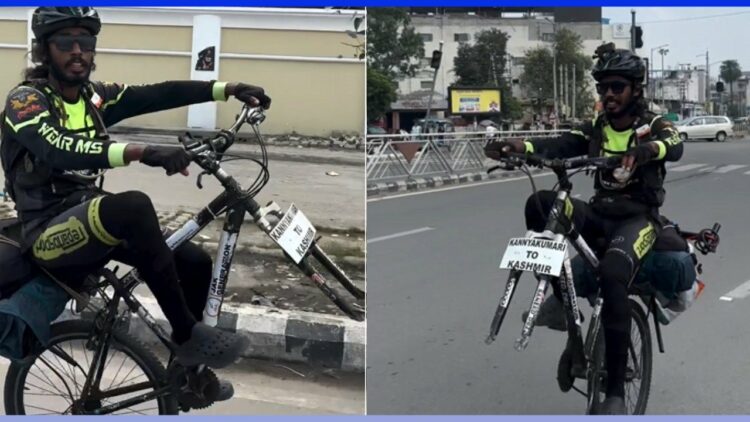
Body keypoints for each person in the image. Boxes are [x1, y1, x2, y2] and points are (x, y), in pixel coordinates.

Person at [0, 7, 272, 403]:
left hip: (85, 218)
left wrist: (227, 89)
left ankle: (186, 378)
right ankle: (186, 335)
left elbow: (157, 93)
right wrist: (141, 151)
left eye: (86, 42)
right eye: (65, 42)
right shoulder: (27, 101)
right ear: (44, 50)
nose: (77, 51)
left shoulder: (93, 98)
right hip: (46, 233)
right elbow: (57, 148)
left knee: (192, 260)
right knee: (133, 207)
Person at [484, 43, 683, 414]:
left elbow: (674, 143)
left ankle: (616, 394)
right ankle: (575, 336)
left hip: (638, 221)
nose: (608, 94)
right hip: (599, 214)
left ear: (635, 90)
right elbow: (560, 143)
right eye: (603, 87)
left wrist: (645, 152)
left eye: (616, 87)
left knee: (611, 275)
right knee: (541, 203)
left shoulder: (651, 125)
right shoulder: (596, 127)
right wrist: (518, 145)